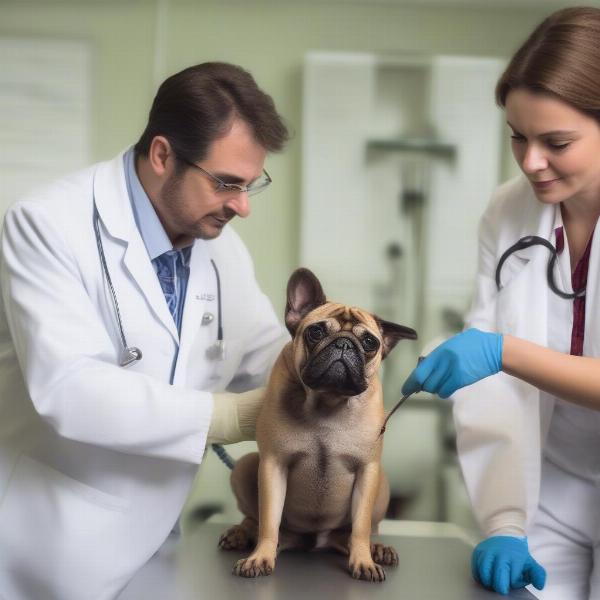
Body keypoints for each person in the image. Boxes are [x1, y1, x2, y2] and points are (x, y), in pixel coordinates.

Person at [0, 62, 290, 600]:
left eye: (252, 185)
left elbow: (268, 355)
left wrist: (335, 368)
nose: (243, 207)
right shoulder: (45, 224)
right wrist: (226, 415)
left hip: (157, 547)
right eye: (227, 182)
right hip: (46, 553)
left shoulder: (222, 248)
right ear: (162, 155)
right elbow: (69, 388)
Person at [402, 7, 600, 598]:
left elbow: (496, 353)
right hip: (551, 486)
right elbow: (492, 381)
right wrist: (506, 519)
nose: (531, 160)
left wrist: (503, 350)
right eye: (518, 135)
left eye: (556, 142)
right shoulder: (509, 210)